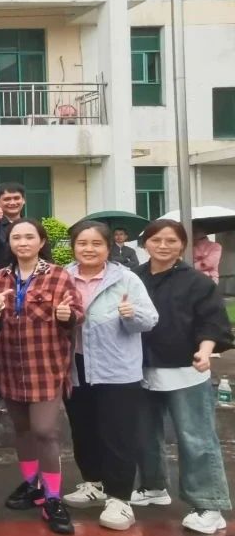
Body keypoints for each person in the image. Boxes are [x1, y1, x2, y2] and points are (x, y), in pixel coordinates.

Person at [0, 218, 83, 535]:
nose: (22, 242)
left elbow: (76, 313)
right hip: (9, 365)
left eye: (29, 237)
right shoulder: (1, 276)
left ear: (41, 242)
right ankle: (31, 484)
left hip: (45, 366)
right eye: (16, 237)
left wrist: (67, 316)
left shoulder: (58, 275)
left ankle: (53, 498)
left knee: (45, 431)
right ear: (10, 243)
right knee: (23, 430)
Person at [132, 219, 233, 534]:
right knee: (143, 433)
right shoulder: (134, 278)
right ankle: (153, 486)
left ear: (183, 245)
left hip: (186, 369)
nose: (163, 246)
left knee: (195, 438)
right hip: (140, 368)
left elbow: (213, 323)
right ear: (145, 244)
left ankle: (209, 505)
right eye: (156, 240)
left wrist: (205, 350)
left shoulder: (197, 282)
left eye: (171, 241)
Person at [59, 221, 158, 531]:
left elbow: (150, 319)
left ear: (108, 247)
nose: (89, 249)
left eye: (96, 243)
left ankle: (120, 498)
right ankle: (94, 483)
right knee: (83, 429)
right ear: (73, 247)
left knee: (118, 435)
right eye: (82, 243)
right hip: (76, 366)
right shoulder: (62, 277)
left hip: (117, 369)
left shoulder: (126, 278)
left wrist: (132, 315)